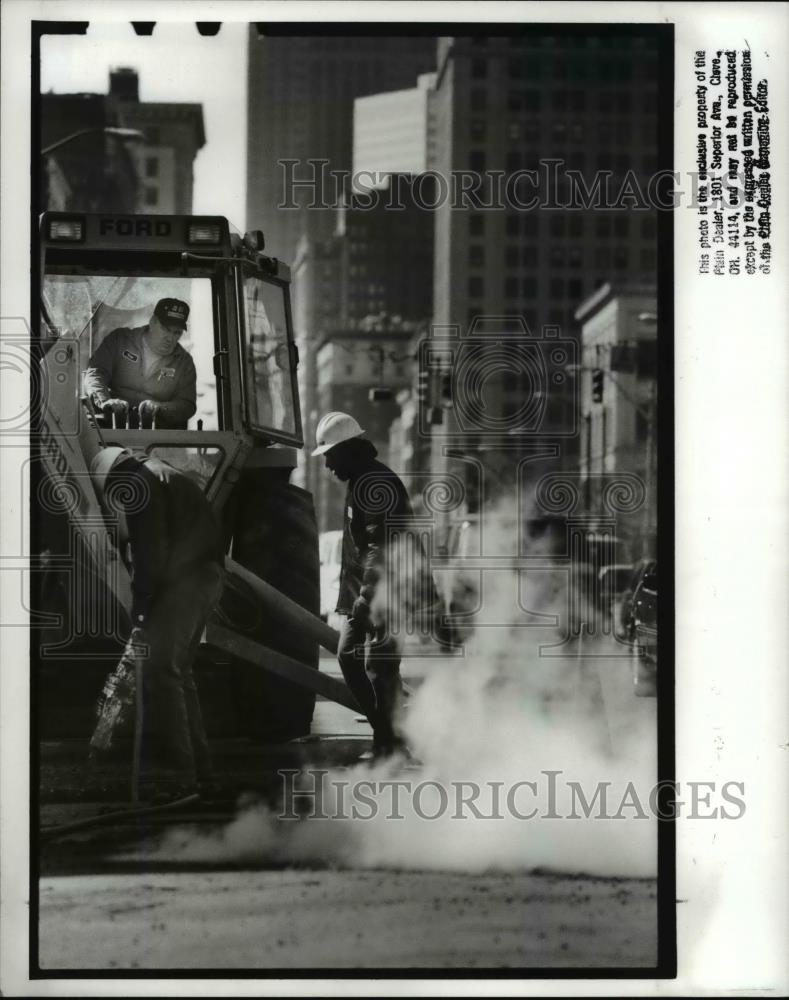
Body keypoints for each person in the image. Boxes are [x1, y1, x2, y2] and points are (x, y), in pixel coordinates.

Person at [89, 446, 225, 799]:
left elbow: (151, 554)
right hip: (207, 578)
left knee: (163, 673)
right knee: (180, 674)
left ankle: (184, 778)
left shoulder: (140, 484)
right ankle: (203, 775)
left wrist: (142, 607)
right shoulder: (163, 473)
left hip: (186, 582)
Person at [312, 411, 437, 759]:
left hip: (390, 591)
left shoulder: (373, 483)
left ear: (348, 450)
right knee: (360, 661)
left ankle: (390, 743)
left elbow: (381, 547)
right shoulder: (363, 480)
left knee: (378, 667)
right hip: (379, 591)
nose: (327, 467)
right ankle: (389, 737)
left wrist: (367, 597)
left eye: (331, 456)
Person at [83, 298, 197, 429]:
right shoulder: (120, 340)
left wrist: (161, 408)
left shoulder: (184, 362)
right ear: (153, 322)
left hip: (156, 437)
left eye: (177, 332)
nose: (170, 338)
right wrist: (106, 401)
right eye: (165, 329)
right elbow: (96, 372)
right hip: (109, 428)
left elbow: (186, 404)